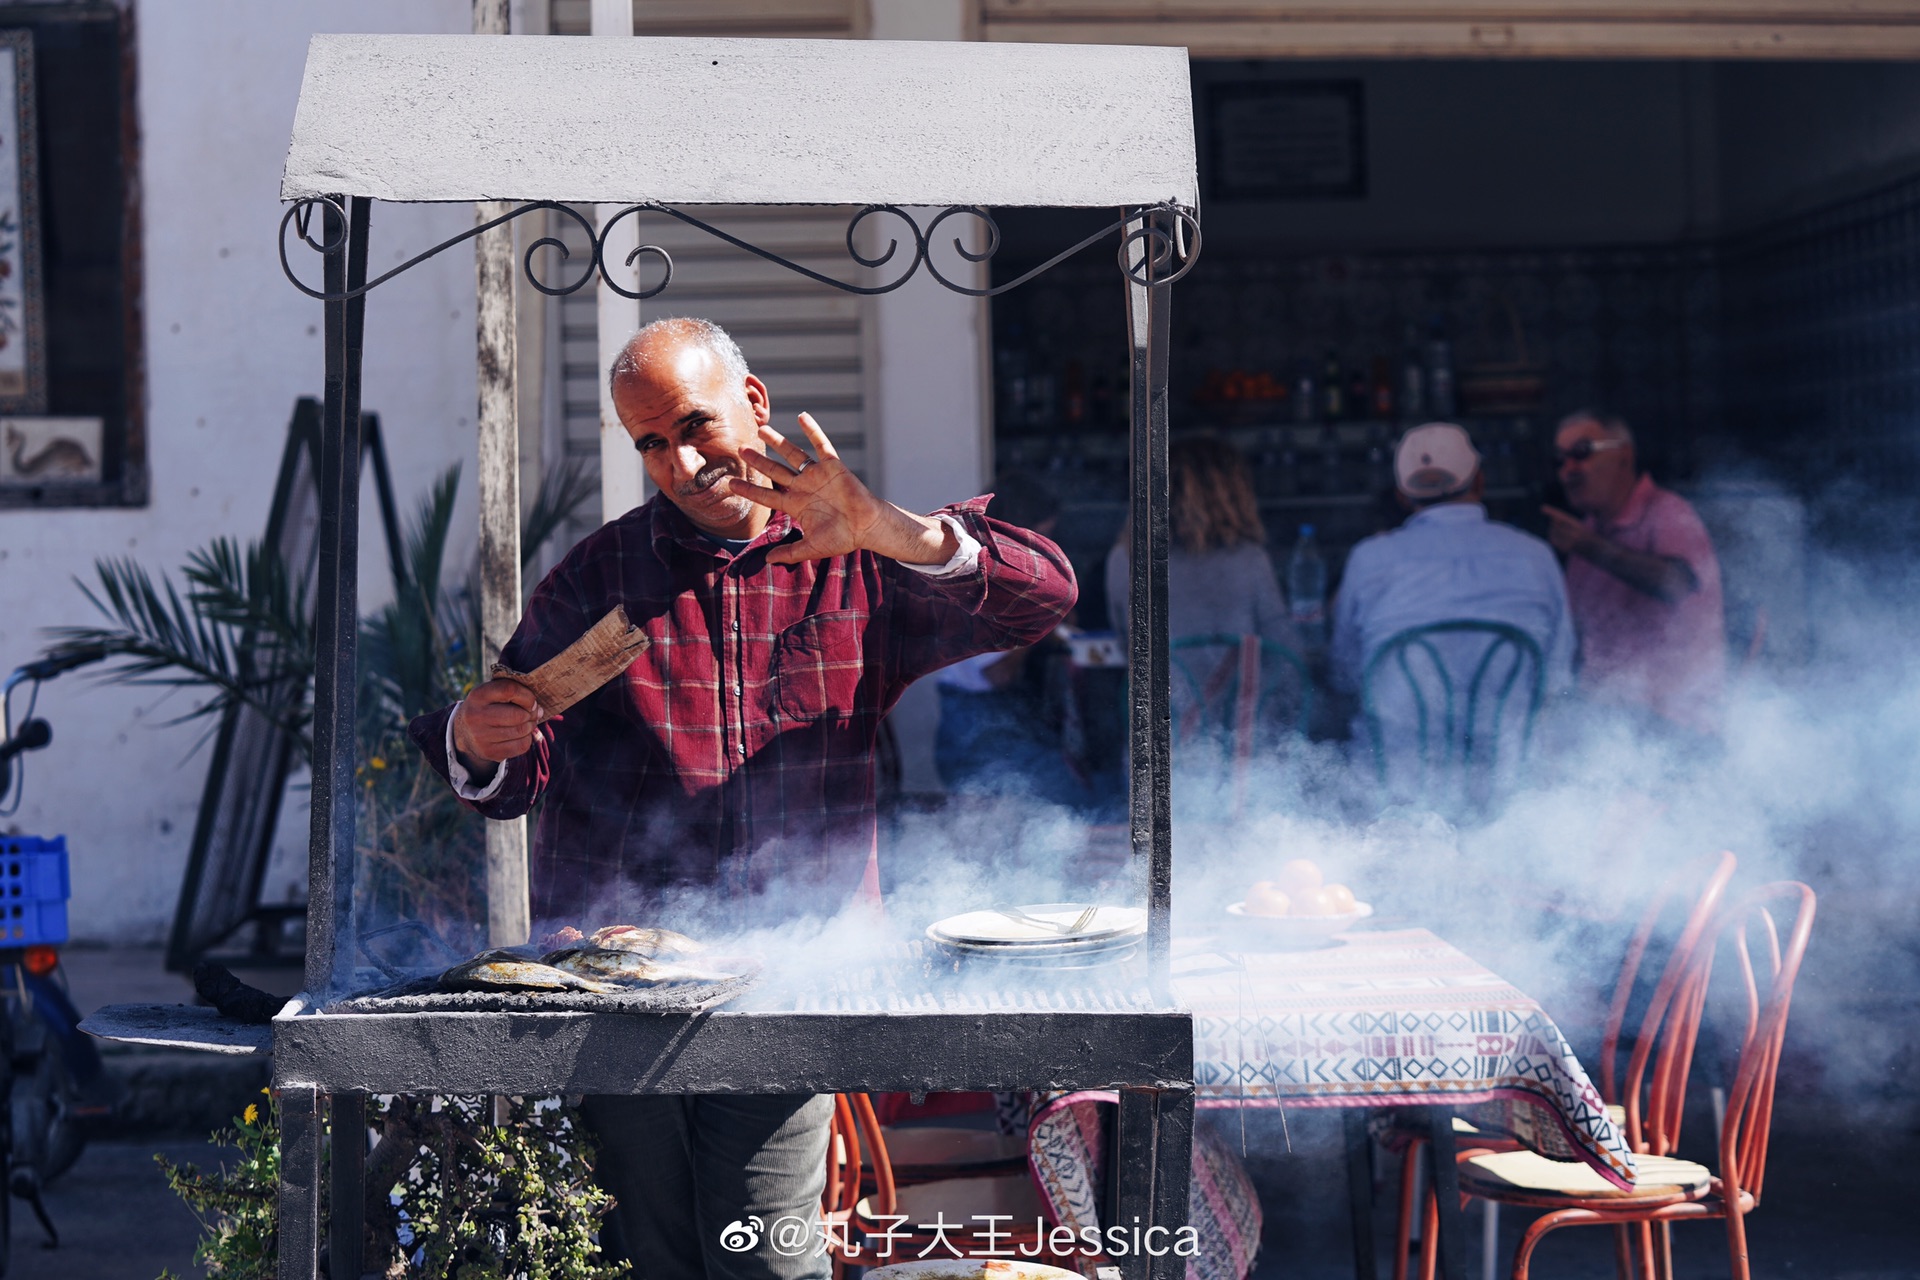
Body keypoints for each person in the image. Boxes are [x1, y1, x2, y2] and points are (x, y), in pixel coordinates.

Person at [406, 316, 1076, 1280]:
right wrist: (480, 739)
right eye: (649, 444)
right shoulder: (601, 578)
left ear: (753, 404)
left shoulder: (857, 559)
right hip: (617, 987)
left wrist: (889, 527)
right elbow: (516, 771)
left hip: (789, 975)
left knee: (766, 1257)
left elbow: (1042, 595)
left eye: (694, 426)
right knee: (649, 1257)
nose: (679, 462)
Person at [1332, 422, 1574, 759]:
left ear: (1402, 496)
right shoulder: (1536, 555)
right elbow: (1558, 676)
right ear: (1479, 481)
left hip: (1400, 783)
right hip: (1509, 781)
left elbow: (1344, 674)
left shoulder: (1368, 559)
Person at [1543, 410, 1726, 737]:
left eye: (1582, 453)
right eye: (1560, 460)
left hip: (1673, 721)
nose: (1568, 470)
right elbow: (1574, 638)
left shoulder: (1667, 512)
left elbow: (1674, 583)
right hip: (1607, 721)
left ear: (1624, 455)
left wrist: (1593, 548)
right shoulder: (1588, 531)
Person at [932, 473, 1082, 804]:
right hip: (979, 739)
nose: (1046, 549)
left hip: (984, 729)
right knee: (1073, 798)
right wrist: (1044, 623)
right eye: (1042, 537)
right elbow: (997, 673)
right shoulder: (979, 581)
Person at [1103, 435, 1293, 646]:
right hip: (1238, 679)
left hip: (1160, 680)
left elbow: (1124, 642)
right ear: (1231, 494)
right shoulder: (1249, 560)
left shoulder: (1125, 558)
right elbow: (1284, 651)